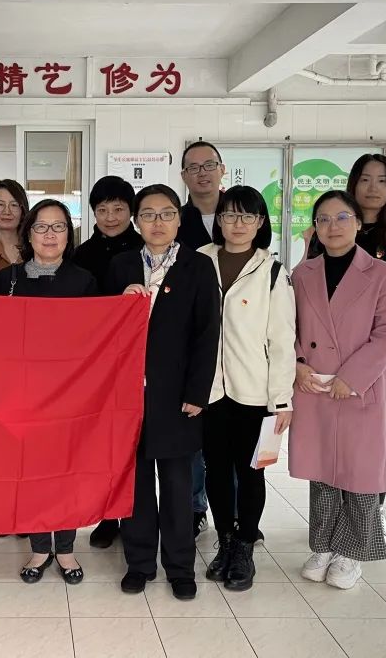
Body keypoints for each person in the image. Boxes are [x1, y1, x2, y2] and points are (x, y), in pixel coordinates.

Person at [305, 155, 386, 548]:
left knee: (371, 451)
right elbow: (309, 302)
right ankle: (331, 533)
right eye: (365, 179)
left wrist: (358, 368)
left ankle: (368, 524)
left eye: (382, 180)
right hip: (325, 366)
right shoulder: (324, 236)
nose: (373, 188)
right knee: (329, 450)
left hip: (383, 361)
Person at [108, 184, 219, 601]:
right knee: (135, 483)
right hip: (127, 395)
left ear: (178, 218)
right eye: (149, 214)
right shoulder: (121, 266)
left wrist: (197, 392)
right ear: (136, 221)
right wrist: (119, 302)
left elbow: (208, 334)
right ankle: (139, 563)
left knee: (176, 485)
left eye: (167, 213)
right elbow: (100, 327)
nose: (158, 222)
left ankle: (180, 567)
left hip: (176, 395)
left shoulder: (198, 266)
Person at [291, 190, 386, 590]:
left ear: (357, 223)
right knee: (322, 471)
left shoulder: (381, 274)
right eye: (323, 219)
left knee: (359, 472)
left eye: (341, 218)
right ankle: (322, 546)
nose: (332, 226)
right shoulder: (302, 274)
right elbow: (288, 325)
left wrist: (352, 377)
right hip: (315, 384)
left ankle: (351, 552)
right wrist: (297, 363)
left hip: (359, 388)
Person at [0, 199, 96, 584]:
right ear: (28, 233)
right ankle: (39, 548)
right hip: (22, 397)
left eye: (59, 227)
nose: (50, 235)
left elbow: (98, 338)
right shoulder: (7, 280)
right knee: (30, 474)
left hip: (70, 396)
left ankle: (65, 549)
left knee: (67, 473)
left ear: (69, 234)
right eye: (41, 227)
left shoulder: (84, 281)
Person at [197, 186, 296, 592]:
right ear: (218, 220)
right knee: (216, 471)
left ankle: (245, 547)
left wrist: (282, 400)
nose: (237, 224)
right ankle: (225, 542)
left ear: (260, 223)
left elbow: (282, 339)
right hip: (209, 391)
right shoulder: (199, 261)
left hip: (256, 394)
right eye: (229, 215)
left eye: (247, 216)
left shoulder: (273, 272)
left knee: (252, 472)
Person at [74, 175, 143, 550]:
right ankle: (108, 515)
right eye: (103, 210)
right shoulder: (81, 255)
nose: (111, 217)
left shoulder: (145, 249)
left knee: (137, 442)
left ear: (130, 211)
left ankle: (138, 515)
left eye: (119, 209)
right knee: (103, 441)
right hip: (95, 363)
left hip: (138, 360)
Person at [174, 141, 227, 537]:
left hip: (238, 339)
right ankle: (195, 506)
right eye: (193, 167)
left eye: (209, 164)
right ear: (184, 176)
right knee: (192, 427)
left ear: (222, 169)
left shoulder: (239, 211)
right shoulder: (178, 220)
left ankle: (233, 511)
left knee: (230, 433)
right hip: (191, 338)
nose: (202, 172)